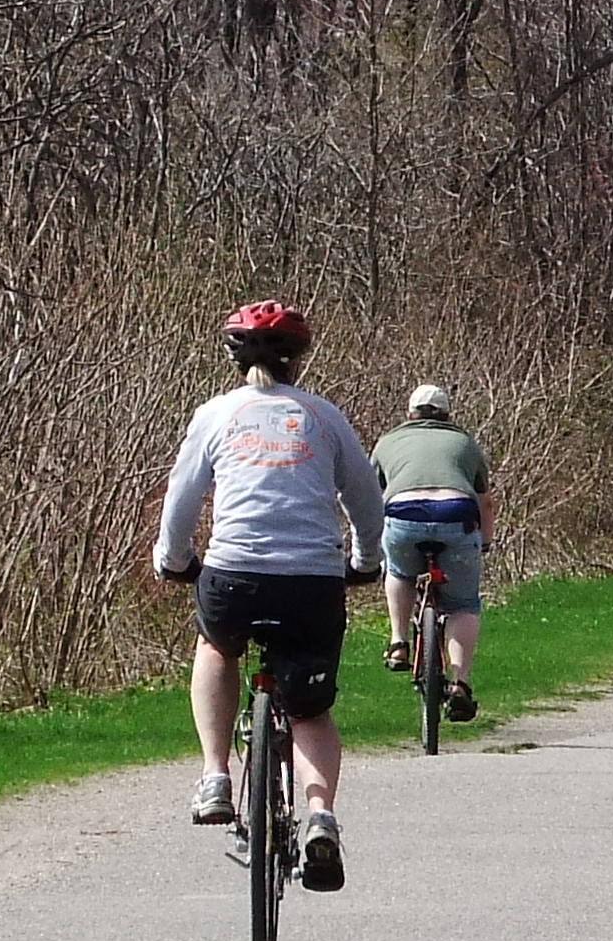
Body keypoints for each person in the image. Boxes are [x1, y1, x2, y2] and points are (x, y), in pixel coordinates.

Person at [156, 300, 389, 888]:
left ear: (234, 357)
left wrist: (175, 559)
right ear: (297, 360)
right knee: (310, 709)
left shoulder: (215, 415)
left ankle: (214, 776)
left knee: (216, 647)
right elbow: (365, 499)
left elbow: (182, 497)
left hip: (235, 573)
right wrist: (364, 562)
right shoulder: (324, 417)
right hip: (312, 580)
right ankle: (320, 817)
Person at [373, 384, 493, 724]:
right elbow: (485, 500)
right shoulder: (464, 443)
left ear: (410, 414)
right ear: (447, 414)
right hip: (456, 516)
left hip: (403, 516)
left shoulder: (389, 441)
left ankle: (398, 642)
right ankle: (460, 683)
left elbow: (371, 494)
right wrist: (484, 541)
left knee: (398, 572)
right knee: (462, 604)